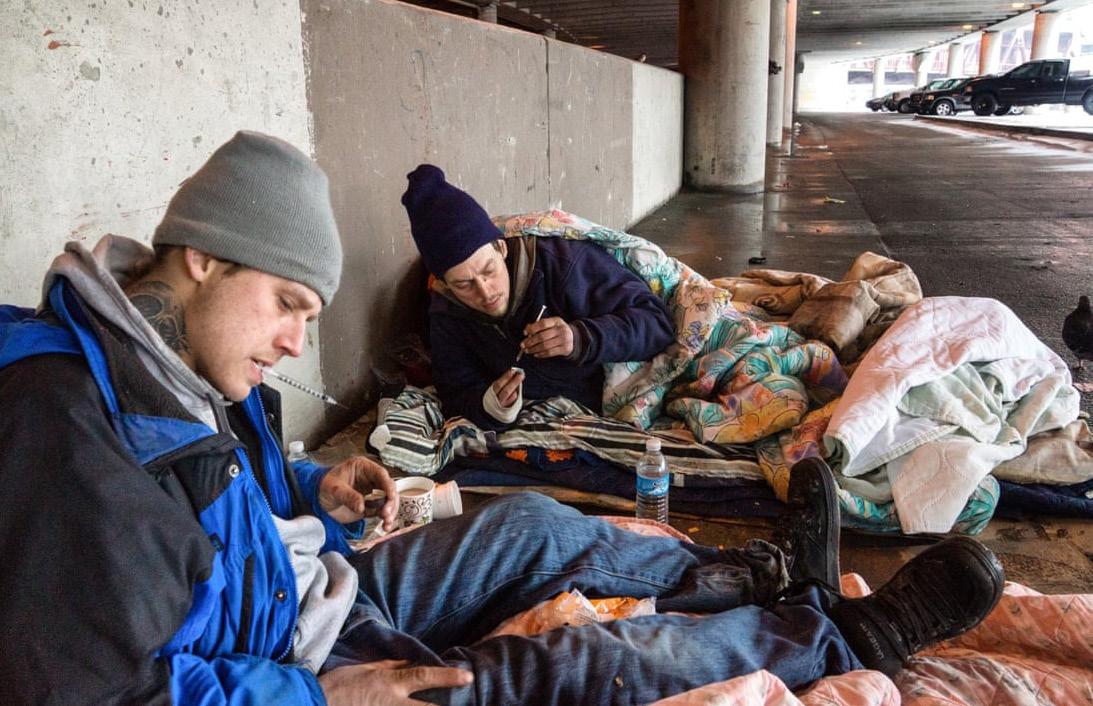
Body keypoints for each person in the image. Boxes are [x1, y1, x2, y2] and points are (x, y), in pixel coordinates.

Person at [0, 132, 1005, 706]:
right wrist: (315, 694)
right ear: (204, 258)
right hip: (289, 659)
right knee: (579, 663)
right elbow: (101, 691)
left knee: (532, 523)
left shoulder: (169, 366)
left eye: (309, 313)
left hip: (298, 588)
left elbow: (652, 319)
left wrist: (313, 485)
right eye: (289, 304)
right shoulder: (64, 436)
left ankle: (767, 576)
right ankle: (845, 637)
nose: (296, 343)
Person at [400, 164, 677, 429]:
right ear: (445, 284)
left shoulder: (563, 264)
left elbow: (657, 324)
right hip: (540, 420)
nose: (485, 292)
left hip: (601, 400)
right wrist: (491, 407)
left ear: (501, 248)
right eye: (464, 284)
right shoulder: (446, 311)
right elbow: (455, 389)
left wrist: (580, 338)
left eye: (489, 270)